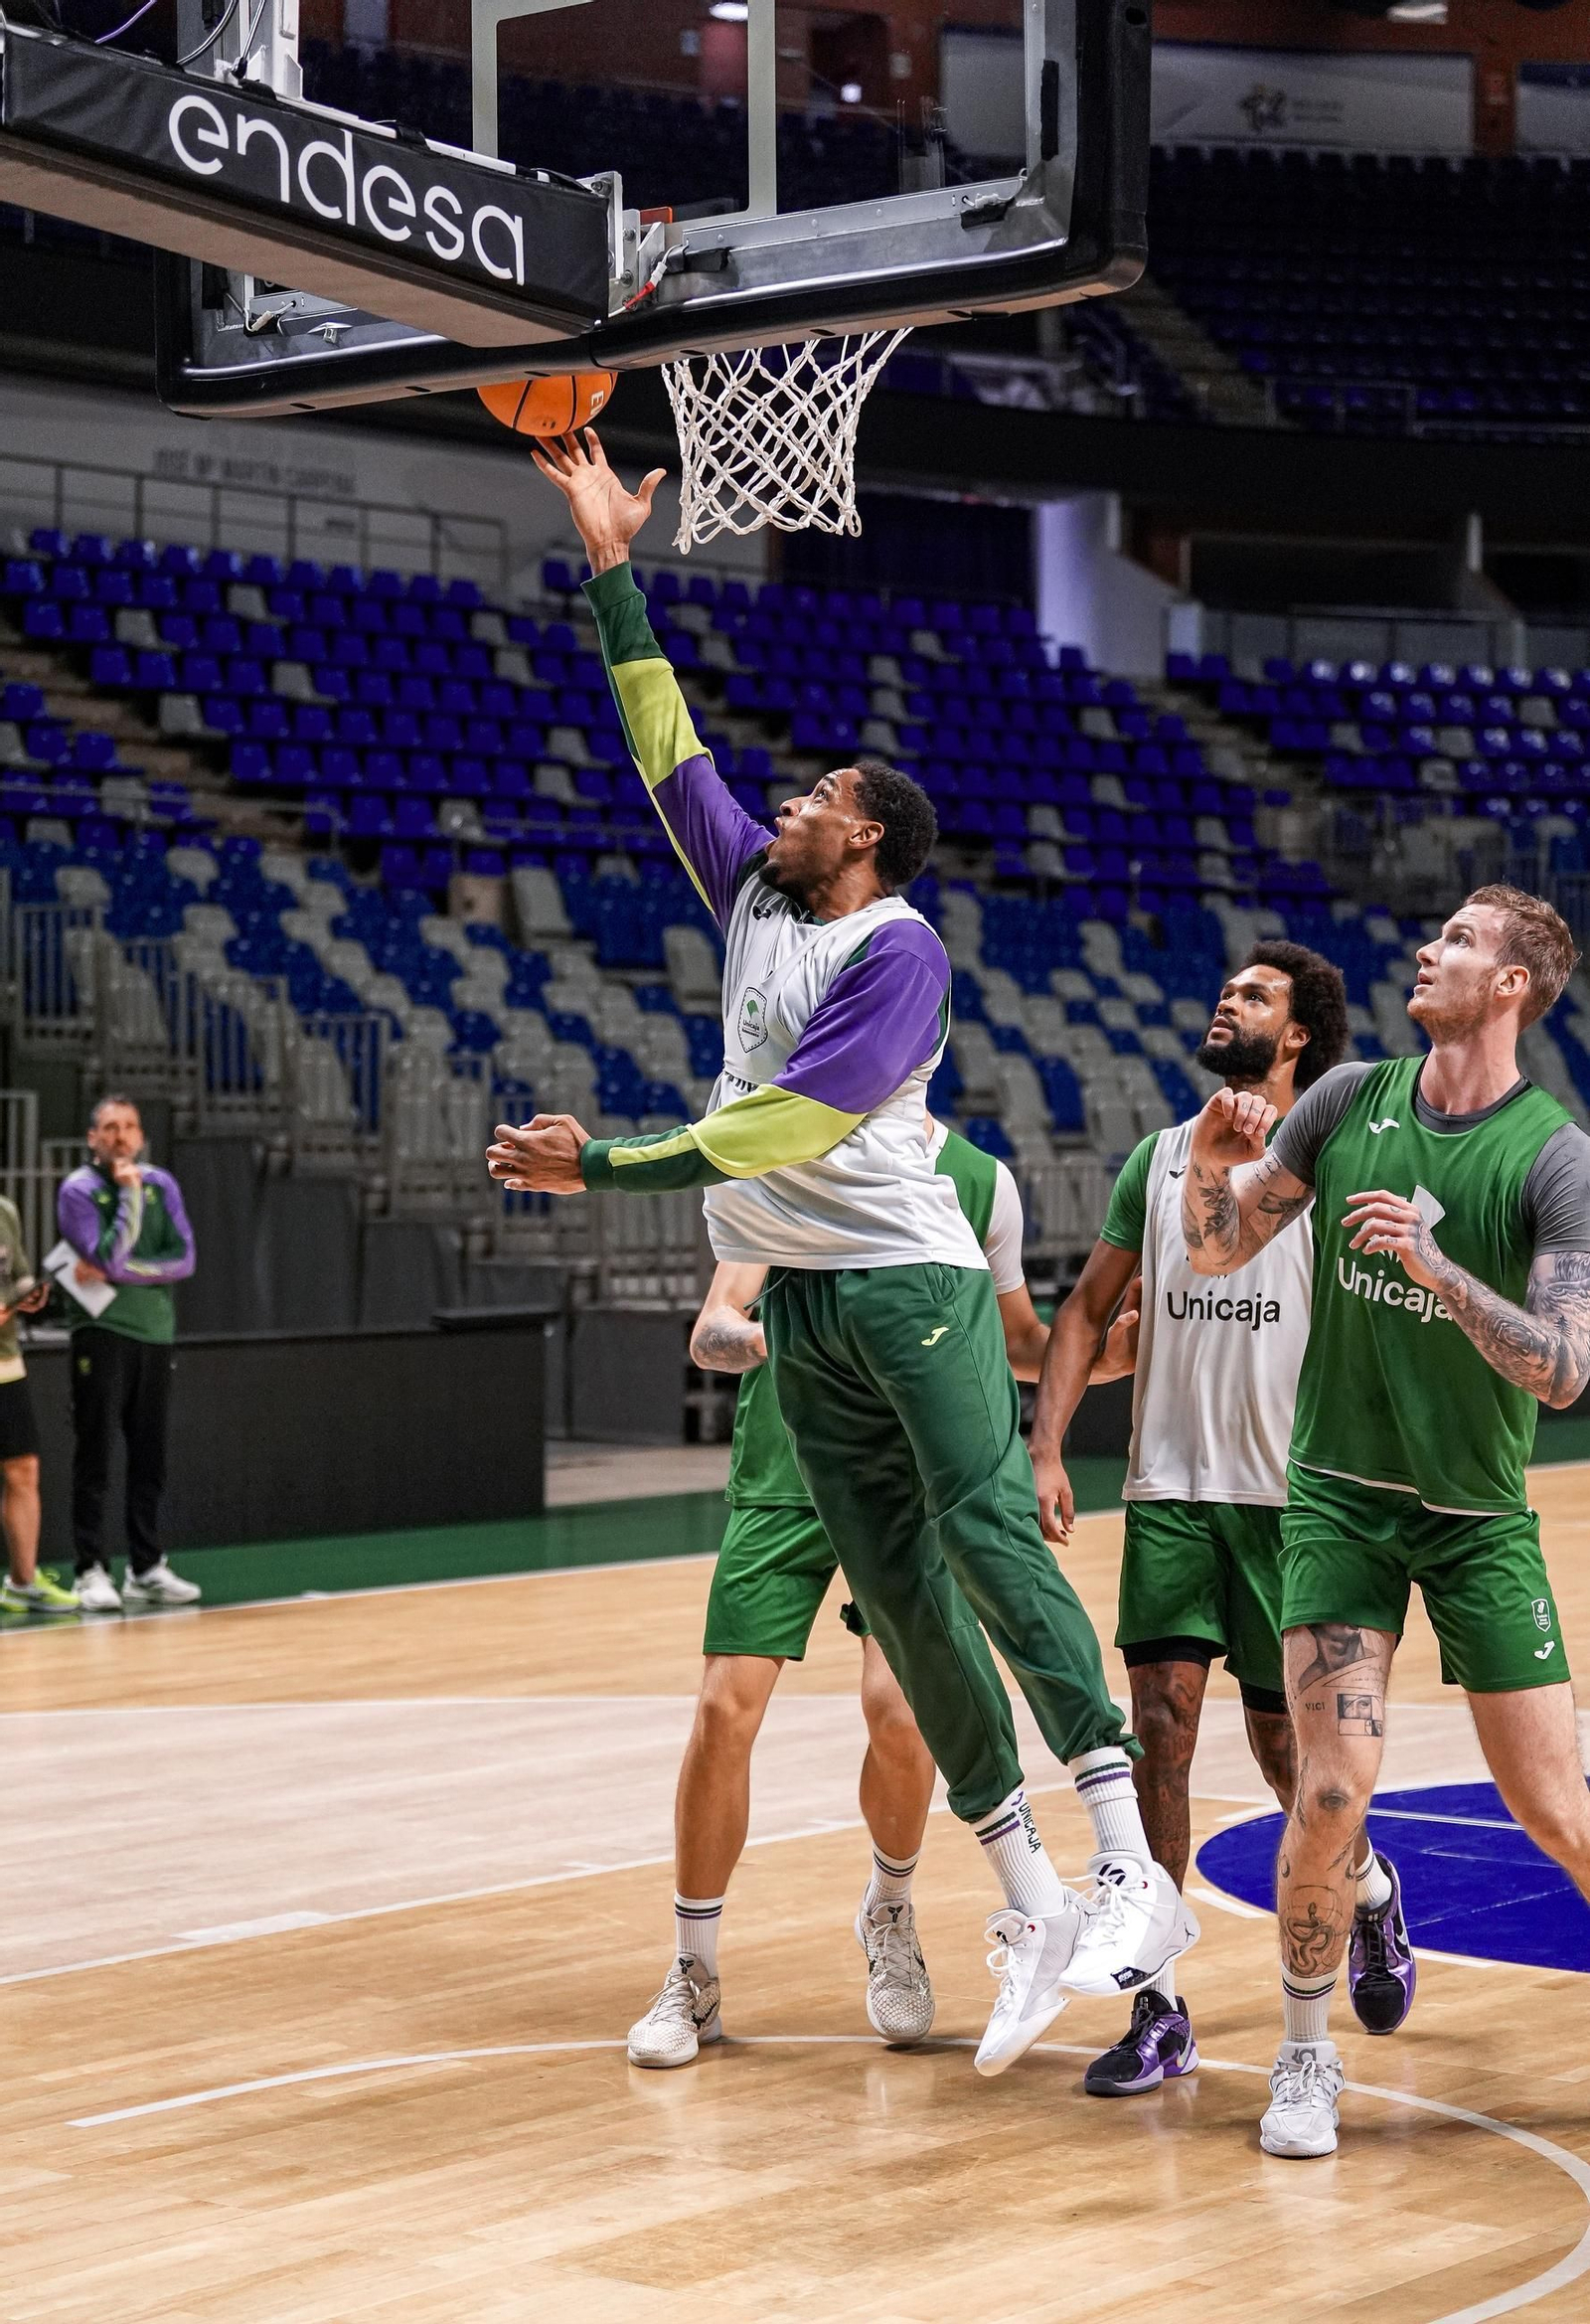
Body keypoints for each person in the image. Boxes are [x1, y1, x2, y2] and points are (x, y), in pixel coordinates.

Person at [489, 428, 1199, 2080]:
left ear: (866, 838)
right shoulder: (751, 892)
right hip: (807, 1305)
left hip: (909, 1282)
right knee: (899, 1602)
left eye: (818, 798)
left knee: (984, 1541)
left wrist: (608, 1163)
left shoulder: (899, 950)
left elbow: (784, 1126)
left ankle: (1127, 1860)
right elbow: (660, 735)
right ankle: (1028, 1897)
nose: (788, 804)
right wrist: (609, 559)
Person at [1181, 886, 1590, 2158]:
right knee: (1327, 1790)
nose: (1426, 947)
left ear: (1512, 984)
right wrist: (1208, 1168)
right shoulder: (1347, 1101)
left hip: (1474, 1519)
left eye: (1459, 940)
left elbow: (1565, 1370)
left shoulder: (1553, 1156)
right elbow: (1216, 1249)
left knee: (1558, 1813)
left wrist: (1438, 1267)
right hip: (1340, 1501)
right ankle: (1304, 2060)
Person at [630, 1115, 1140, 2068]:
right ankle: (692, 1970)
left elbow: (1015, 1340)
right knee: (724, 1708)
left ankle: (890, 1912)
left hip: (909, 1481)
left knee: (899, 1713)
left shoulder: (980, 1183)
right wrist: (815, 1345)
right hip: (788, 1468)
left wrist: (1098, 1359)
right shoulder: (788, 1148)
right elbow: (713, 1330)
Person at [1033, 943, 1414, 2097]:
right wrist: (1042, 1447)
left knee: (1289, 1755)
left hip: (1296, 1503)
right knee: (1157, 1733)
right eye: (1227, 987)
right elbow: (1085, 1309)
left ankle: (1370, 1892)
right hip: (1169, 1492)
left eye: (1254, 994)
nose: (1226, 999)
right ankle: (1158, 2003)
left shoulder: (1336, 1161)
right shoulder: (1158, 1158)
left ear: (1296, 1035)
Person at [58, 1095, 199, 1612]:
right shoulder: (78, 1190)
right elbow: (109, 1253)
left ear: (141, 1136)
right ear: (92, 1138)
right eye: (110, 1127)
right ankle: (90, 1569)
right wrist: (130, 1195)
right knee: (95, 1453)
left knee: (149, 1457)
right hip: (102, 1332)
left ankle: (146, 1567)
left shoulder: (163, 1183)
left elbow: (184, 1259)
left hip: (155, 1335)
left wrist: (125, 1273)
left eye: (130, 1127)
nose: (121, 1136)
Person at [0, 1195, 76, 1615]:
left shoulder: (5, 1211)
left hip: (6, 1362)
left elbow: (19, 1276)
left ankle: (22, 1583)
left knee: (23, 1469)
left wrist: (29, 1294)